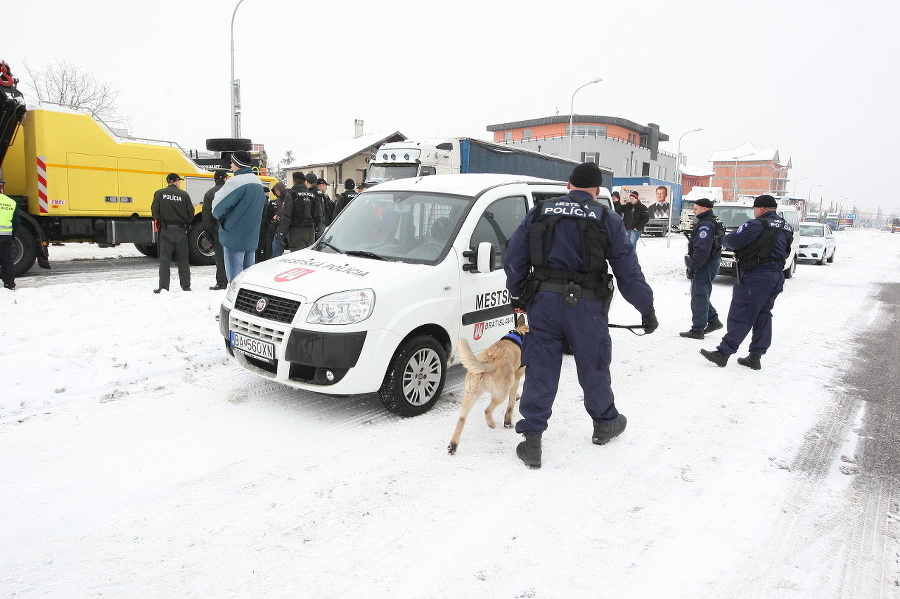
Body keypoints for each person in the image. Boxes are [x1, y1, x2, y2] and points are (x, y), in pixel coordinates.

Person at [504, 162, 658, 469]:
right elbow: (628, 270)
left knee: (541, 367)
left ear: (569, 185)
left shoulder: (540, 212)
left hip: (543, 302)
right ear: (597, 191)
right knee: (593, 364)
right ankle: (605, 423)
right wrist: (646, 308)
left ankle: (532, 440)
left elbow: (514, 256)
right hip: (586, 305)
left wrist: (518, 293)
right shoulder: (608, 218)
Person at [700, 194, 793, 370]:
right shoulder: (786, 226)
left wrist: (722, 239)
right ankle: (755, 357)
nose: (755, 212)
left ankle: (723, 353)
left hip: (756, 276)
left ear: (761, 209)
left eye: (755, 209)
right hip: (776, 276)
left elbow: (733, 240)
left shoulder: (757, 224)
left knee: (742, 313)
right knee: (763, 315)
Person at [212, 151, 266, 281]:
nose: (230, 165)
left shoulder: (236, 182)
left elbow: (217, 209)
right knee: (247, 281)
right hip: (251, 238)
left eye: (232, 162)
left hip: (234, 238)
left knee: (235, 281)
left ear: (238, 163)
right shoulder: (258, 182)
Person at [680, 198, 724, 339]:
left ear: (704, 209)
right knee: (701, 293)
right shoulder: (713, 220)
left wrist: (693, 267)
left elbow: (702, 249)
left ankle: (697, 329)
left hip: (705, 263)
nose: (694, 211)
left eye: (696, 208)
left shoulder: (706, 224)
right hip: (711, 261)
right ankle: (713, 320)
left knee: (699, 296)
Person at [151, 173, 195, 293]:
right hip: (180, 231)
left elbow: (155, 212)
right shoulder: (184, 195)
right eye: (179, 181)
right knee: (183, 259)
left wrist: (164, 220)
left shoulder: (159, 193)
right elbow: (191, 213)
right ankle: (186, 286)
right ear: (176, 182)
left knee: (165, 259)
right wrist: (184, 222)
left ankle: (164, 287)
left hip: (166, 230)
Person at [202, 169, 229, 290]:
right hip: (232, 226)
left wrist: (207, 231)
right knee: (235, 254)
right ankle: (234, 279)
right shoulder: (231, 191)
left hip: (217, 226)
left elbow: (206, 214)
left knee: (220, 255)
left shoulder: (209, 193)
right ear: (224, 178)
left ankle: (222, 281)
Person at [282, 171, 319, 250]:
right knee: (309, 258)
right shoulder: (312, 195)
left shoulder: (292, 195)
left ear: (294, 181)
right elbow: (318, 214)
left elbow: (286, 216)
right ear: (305, 181)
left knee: (298, 258)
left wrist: (282, 233)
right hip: (310, 231)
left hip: (297, 231)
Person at [0, 178, 20, 290]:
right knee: (7, 260)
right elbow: (17, 222)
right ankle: (9, 283)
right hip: (6, 236)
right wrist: (11, 235)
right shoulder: (10, 202)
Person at [270, 181, 289, 257]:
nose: (276, 192)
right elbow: (279, 210)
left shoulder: (288, 198)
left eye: (277, 190)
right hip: (279, 226)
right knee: (276, 245)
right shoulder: (279, 200)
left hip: (287, 226)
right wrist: (276, 215)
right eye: (275, 191)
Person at [306, 172, 326, 238]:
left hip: (314, 223)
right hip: (322, 222)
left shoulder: (310, 194)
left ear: (307, 182)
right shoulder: (320, 193)